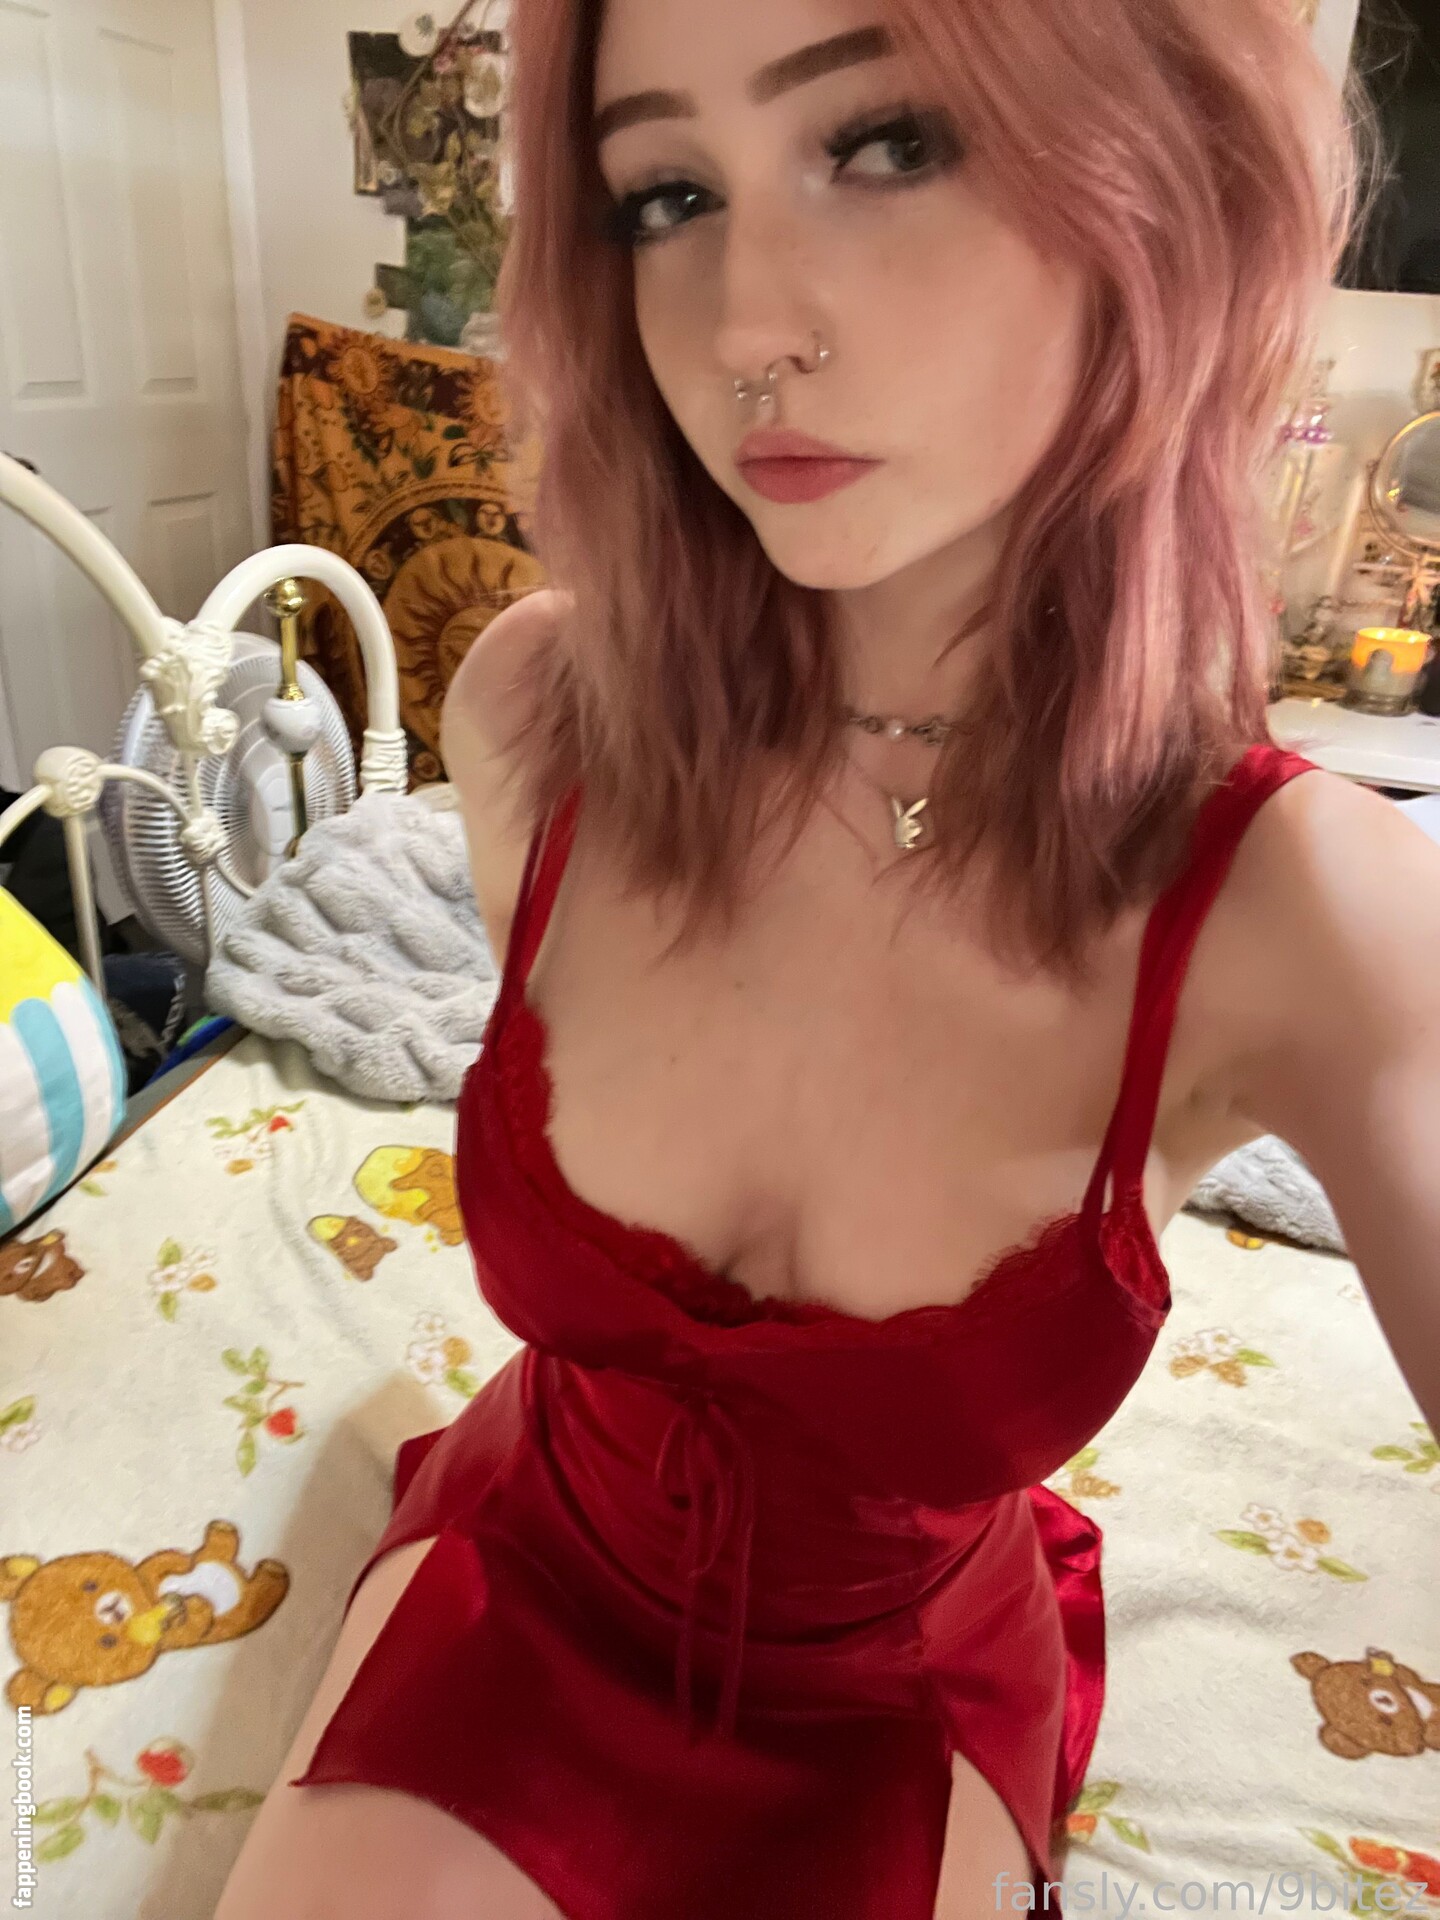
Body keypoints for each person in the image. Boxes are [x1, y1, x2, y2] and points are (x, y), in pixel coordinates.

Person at [216, 0, 1440, 1913]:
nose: (742, 330)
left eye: (888, 145)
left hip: (896, 1688)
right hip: (529, 1575)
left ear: (1163, 180)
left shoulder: (1304, 907)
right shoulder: (546, 716)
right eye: (667, 193)